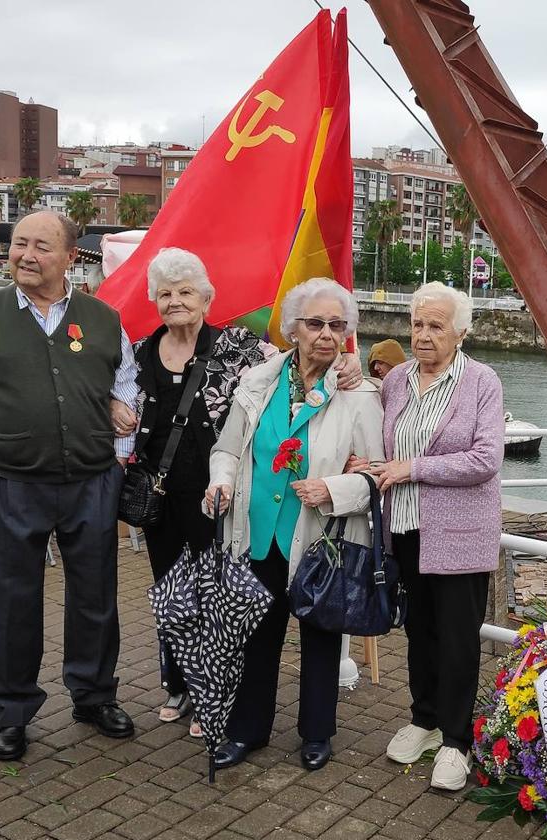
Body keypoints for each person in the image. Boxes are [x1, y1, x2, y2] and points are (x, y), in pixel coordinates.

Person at [117, 248, 363, 731]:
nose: (175, 302)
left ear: (206, 298)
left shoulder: (237, 347)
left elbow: (296, 365)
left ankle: (218, 690)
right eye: (165, 294)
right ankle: (182, 685)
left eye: (186, 292)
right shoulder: (141, 351)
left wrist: (349, 368)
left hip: (222, 496)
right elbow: (116, 394)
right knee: (173, 596)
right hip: (161, 495)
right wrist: (110, 407)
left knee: (221, 597)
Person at [0, 210, 140, 763]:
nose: (26, 254)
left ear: (71, 257)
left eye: (41, 246)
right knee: (9, 601)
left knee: (95, 596)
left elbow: (127, 388)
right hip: (9, 482)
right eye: (19, 243)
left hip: (92, 480)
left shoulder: (102, 318)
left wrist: (118, 461)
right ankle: (11, 709)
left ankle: (94, 696)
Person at [205, 277, 383, 772]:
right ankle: (247, 731)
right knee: (255, 635)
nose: (326, 333)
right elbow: (227, 450)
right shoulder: (258, 382)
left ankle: (317, 733)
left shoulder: (359, 395)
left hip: (320, 541)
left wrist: (334, 490)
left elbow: (376, 473)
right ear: (293, 328)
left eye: (336, 325)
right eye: (315, 323)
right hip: (257, 535)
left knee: (320, 638)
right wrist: (220, 483)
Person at [374, 281, 503, 792]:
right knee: (419, 630)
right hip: (405, 528)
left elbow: (485, 459)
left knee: (456, 638)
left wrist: (413, 468)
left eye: (436, 326)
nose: (423, 335)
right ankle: (424, 719)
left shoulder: (482, 381)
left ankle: (457, 740)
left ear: (461, 331)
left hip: (459, 532)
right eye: (418, 324)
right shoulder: (397, 380)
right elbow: (384, 438)